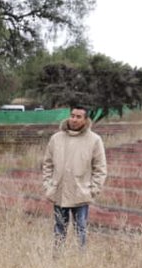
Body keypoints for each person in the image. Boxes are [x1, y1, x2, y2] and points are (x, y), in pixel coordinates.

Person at [41, 105, 107, 248]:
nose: (74, 119)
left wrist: (92, 191)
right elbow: (47, 164)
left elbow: (100, 169)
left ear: (85, 119)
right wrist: (48, 186)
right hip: (59, 192)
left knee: (80, 229)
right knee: (59, 228)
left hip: (81, 194)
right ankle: (57, 258)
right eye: (72, 115)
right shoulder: (56, 138)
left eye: (78, 117)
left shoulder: (94, 140)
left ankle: (80, 259)